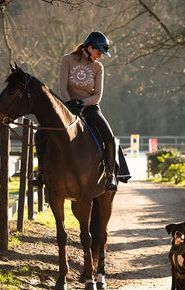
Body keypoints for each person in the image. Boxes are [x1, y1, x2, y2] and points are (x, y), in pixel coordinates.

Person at [32, 31, 118, 191]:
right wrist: (69, 104)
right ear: (90, 48)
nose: (99, 56)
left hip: (90, 108)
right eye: (98, 52)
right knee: (41, 134)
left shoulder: (98, 68)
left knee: (109, 136)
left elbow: (97, 96)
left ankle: (110, 175)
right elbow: (62, 87)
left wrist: (81, 103)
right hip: (67, 108)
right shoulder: (67, 60)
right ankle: (41, 173)